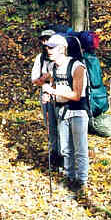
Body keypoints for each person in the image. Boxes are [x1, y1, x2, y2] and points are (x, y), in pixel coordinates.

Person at [42, 34, 89, 196]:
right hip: (61, 110)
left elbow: (77, 95)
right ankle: (69, 177)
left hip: (77, 111)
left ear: (62, 49)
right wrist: (48, 95)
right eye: (48, 47)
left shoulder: (77, 67)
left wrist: (53, 91)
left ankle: (81, 182)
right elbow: (54, 86)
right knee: (65, 149)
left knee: (80, 149)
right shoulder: (52, 67)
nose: (48, 50)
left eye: (52, 47)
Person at [31, 29, 61, 167]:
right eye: (43, 40)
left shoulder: (62, 56)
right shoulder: (40, 58)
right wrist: (47, 78)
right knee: (51, 127)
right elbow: (34, 80)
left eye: (48, 39)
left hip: (62, 96)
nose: (45, 42)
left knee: (63, 126)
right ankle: (54, 155)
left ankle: (64, 156)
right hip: (46, 96)